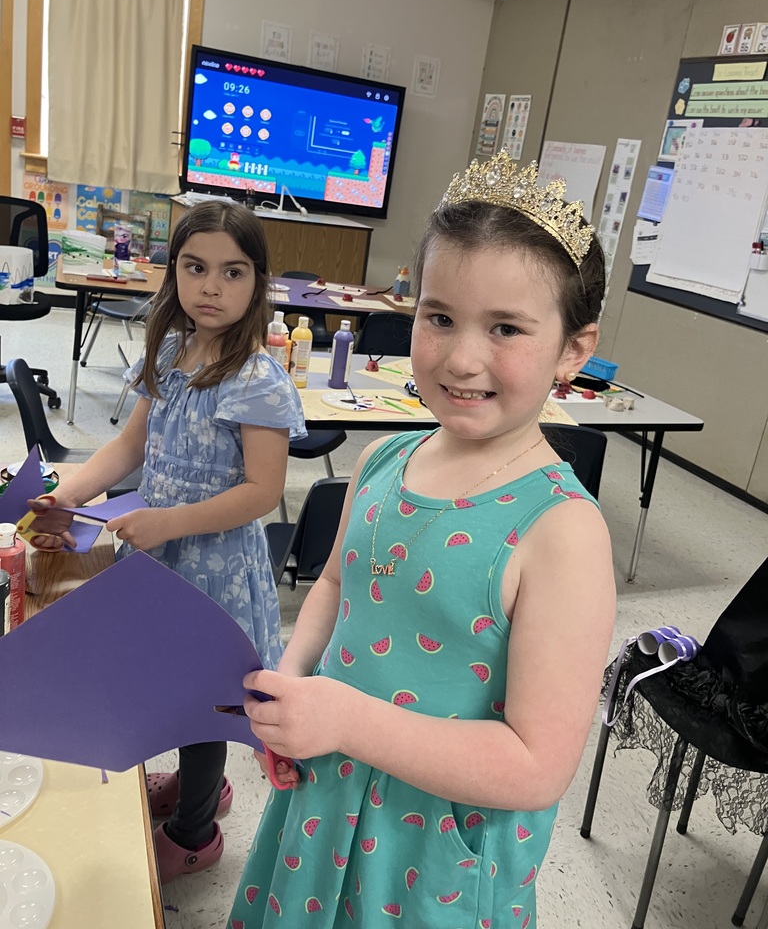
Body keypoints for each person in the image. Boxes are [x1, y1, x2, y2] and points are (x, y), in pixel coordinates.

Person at [227, 152, 616, 927]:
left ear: (573, 351)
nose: (461, 357)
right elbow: (336, 584)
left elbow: (537, 766)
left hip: (432, 853)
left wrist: (344, 720)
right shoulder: (383, 458)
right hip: (326, 802)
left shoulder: (563, 534)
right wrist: (292, 678)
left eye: (505, 328)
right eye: (439, 317)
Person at [26, 200, 306, 883]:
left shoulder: (257, 379)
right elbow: (129, 445)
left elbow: (263, 491)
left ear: (257, 282)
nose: (212, 287)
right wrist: (68, 497)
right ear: (173, 272)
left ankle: (195, 830)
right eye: (196, 267)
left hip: (216, 573)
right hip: (162, 560)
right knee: (163, 684)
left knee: (206, 702)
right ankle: (193, 787)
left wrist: (168, 521)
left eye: (232, 272)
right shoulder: (173, 352)